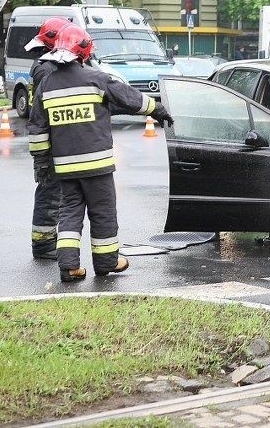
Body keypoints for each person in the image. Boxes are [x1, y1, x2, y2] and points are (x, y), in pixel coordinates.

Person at [27, 24, 174, 282]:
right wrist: (158, 110)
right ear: (83, 52)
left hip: (64, 168)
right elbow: (130, 98)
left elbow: (37, 128)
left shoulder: (46, 85)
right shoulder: (96, 78)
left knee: (70, 213)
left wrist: (41, 163)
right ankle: (107, 262)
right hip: (97, 166)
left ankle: (69, 267)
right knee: (102, 211)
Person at [23, 17, 71, 260]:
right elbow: (42, 114)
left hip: (55, 142)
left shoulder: (46, 66)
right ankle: (43, 246)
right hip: (51, 144)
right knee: (50, 195)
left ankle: (48, 243)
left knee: (56, 195)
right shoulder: (47, 69)